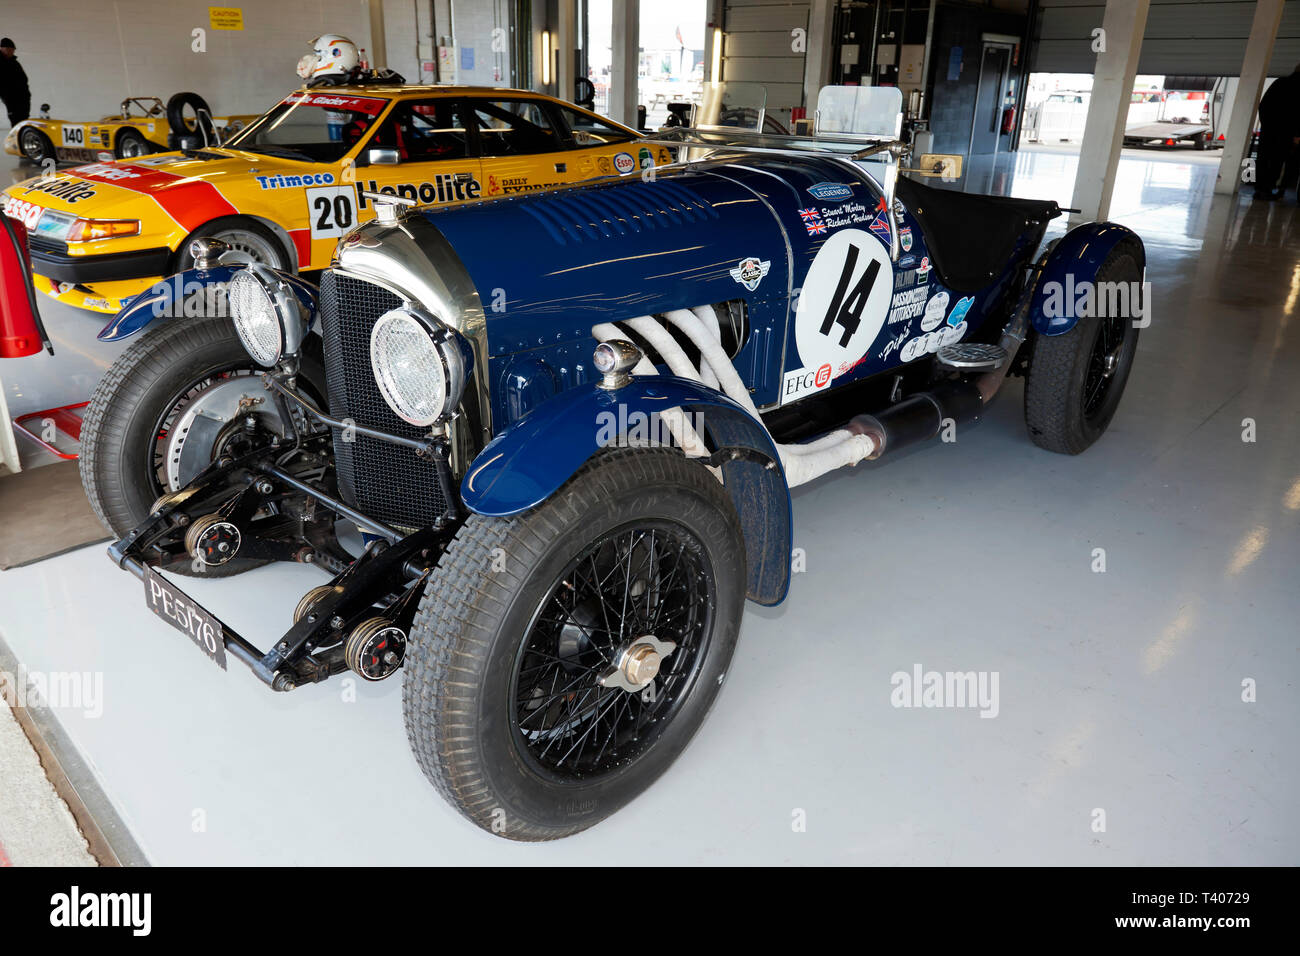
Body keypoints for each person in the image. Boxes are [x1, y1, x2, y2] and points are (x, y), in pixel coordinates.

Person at [1255, 64, 1300, 200]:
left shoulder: (1279, 82)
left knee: (1263, 159)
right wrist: (1296, 134)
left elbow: (1263, 106)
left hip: (1268, 131)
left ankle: (1259, 190)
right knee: (1277, 162)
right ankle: (1269, 189)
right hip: (1286, 134)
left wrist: (1267, 126)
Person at [0, 37, 30, 127]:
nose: (13, 52)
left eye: (13, 50)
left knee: (23, 119)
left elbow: (24, 78)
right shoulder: (2, 62)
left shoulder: (14, 62)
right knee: (16, 120)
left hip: (23, 96)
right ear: (4, 49)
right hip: (11, 97)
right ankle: (16, 138)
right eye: (11, 50)